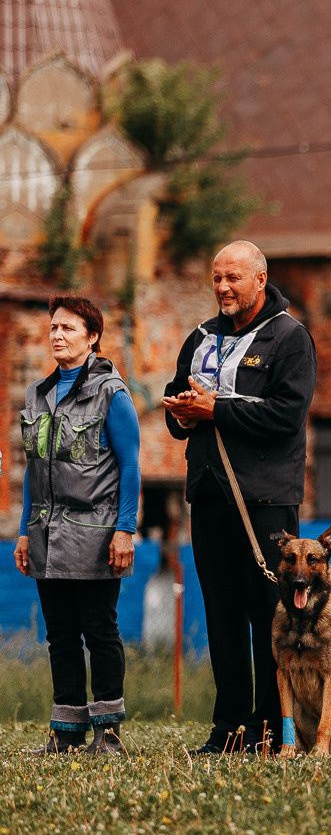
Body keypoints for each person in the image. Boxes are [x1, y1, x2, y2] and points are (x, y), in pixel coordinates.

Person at [162, 240, 317, 755]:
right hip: (208, 495)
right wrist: (182, 412)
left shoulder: (289, 338)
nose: (223, 287)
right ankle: (227, 730)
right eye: (216, 278)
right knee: (221, 615)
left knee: (269, 617)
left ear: (260, 279)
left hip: (264, 501)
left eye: (233, 278)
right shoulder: (200, 337)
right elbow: (178, 411)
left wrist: (216, 410)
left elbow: (287, 416)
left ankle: (268, 731)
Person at [14, 296, 140, 755]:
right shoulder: (37, 394)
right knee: (60, 635)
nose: (57, 335)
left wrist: (125, 529)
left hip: (96, 535)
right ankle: (66, 733)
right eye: (53, 327)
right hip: (46, 534)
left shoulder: (112, 393)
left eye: (68, 328)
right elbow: (33, 468)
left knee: (99, 630)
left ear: (93, 337)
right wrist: (24, 531)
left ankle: (108, 734)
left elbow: (130, 466)